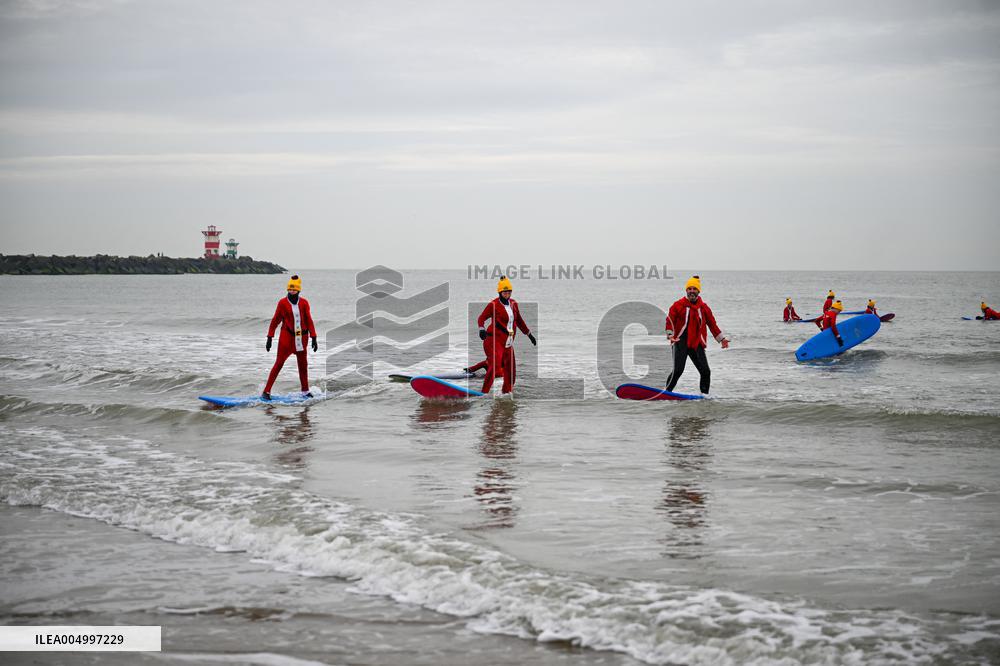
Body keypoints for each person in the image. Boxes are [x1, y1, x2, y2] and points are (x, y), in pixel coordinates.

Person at [665, 276, 730, 395]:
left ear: (698, 291)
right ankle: (666, 393)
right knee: (678, 371)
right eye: (689, 289)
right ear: (686, 291)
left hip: (696, 344)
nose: (691, 291)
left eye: (694, 289)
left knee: (705, 371)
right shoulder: (678, 305)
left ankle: (704, 398)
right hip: (680, 342)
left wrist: (722, 339)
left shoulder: (704, 308)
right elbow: (670, 320)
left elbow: (712, 324)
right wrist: (670, 334)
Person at [477, 276, 536, 394]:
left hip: (508, 342)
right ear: (500, 292)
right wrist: (481, 329)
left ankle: (506, 394)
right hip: (494, 340)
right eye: (505, 292)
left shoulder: (514, 304)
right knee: (495, 366)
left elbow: (519, 321)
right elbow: (481, 318)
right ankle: (483, 394)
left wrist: (529, 334)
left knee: (511, 372)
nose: (507, 294)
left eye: (509, 291)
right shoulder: (493, 304)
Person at [262, 275, 317, 400]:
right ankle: (266, 391)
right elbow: (275, 320)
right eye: (289, 289)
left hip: (302, 339)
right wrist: (270, 337)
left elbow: (309, 320)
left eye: (294, 289)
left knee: (303, 365)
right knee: (279, 363)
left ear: (298, 290)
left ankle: (305, 391)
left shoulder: (304, 303)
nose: (291, 291)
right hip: (287, 339)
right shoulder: (282, 303)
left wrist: (314, 337)